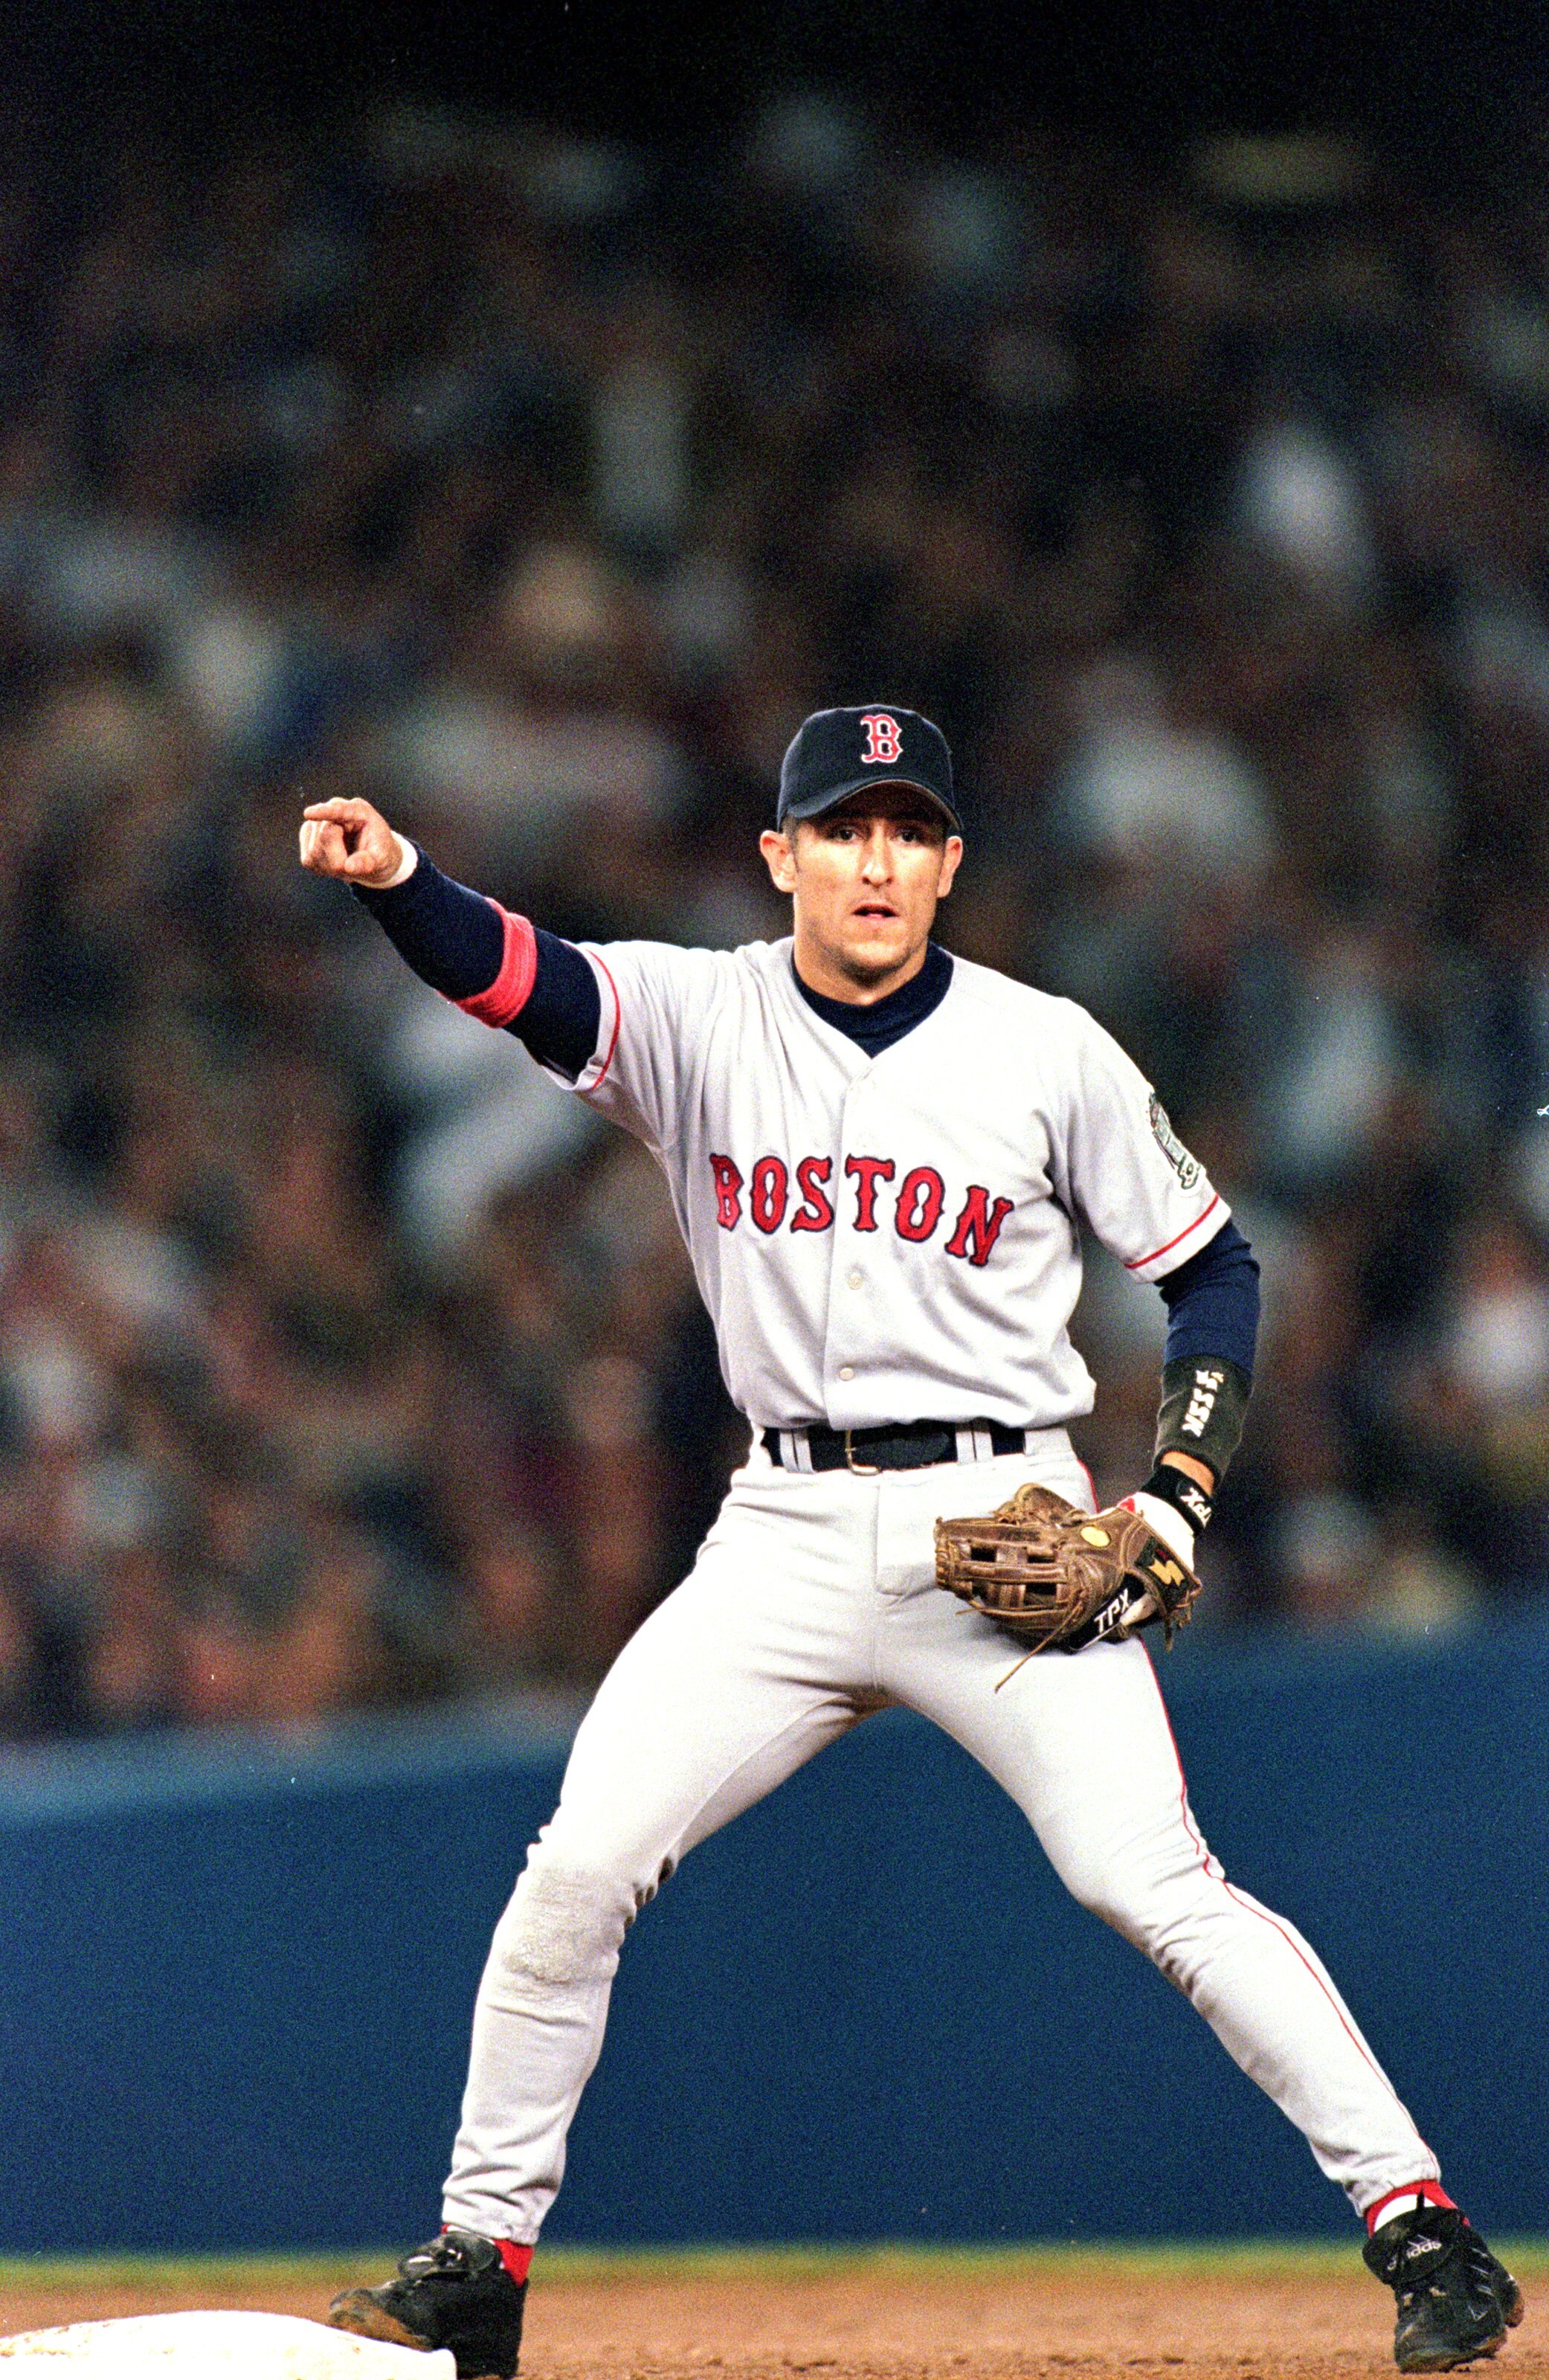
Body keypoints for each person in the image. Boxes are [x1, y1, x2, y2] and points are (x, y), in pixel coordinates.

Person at [300, 707, 1521, 2380]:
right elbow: (512, 972)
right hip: (781, 1529)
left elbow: (1212, 1267)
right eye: (842, 827)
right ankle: (478, 2260)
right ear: (779, 854)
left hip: (1002, 1521)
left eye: (906, 831)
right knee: (578, 1866)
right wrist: (397, 880)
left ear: (948, 864)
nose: (874, 860)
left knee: (1150, 1881)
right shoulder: (697, 1012)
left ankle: (1422, 2224)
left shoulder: (1047, 1049)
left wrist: (1168, 1492)